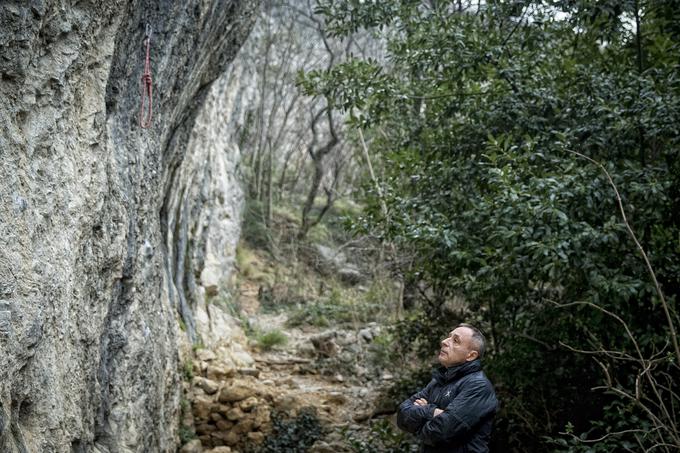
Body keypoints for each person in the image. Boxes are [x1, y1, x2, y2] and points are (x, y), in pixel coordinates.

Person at [397, 323, 498, 452]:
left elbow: (440, 432)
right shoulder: (439, 381)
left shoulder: (478, 386)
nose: (444, 341)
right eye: (448, 337)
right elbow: (402, 414)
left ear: (471, 356)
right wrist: (433, 412)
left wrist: (423, 412)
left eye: (455, 341)